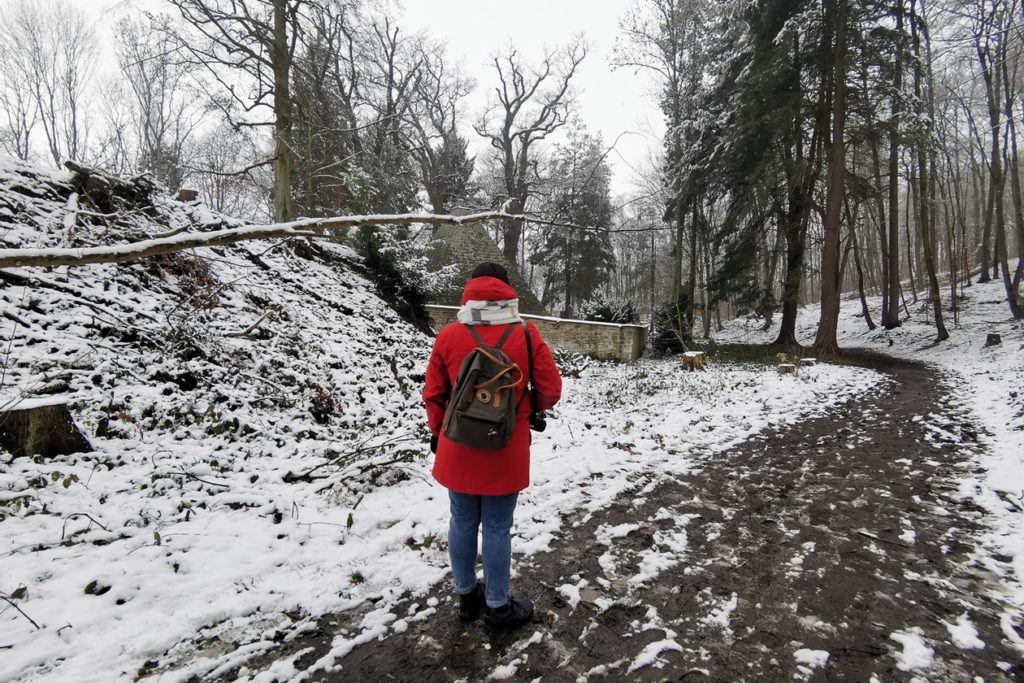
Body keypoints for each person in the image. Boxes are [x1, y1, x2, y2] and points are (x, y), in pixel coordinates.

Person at [422, 262, 562, 630]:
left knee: (462, 520)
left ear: (470, 291)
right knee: (498, 527)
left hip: (458, 447)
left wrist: (439, 431)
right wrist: (524, 407)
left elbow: (434, 394)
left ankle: (467, 595)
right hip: (506, 448)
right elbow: (551, 391)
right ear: (506, 291)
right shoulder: (527, 334)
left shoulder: (449, 335)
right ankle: (499, 605)